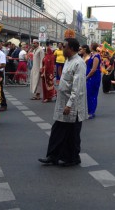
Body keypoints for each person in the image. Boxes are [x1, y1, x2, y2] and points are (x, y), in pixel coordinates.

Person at [38, 38, 87, 167]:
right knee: (59, 130)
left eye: (64, 46)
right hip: (63, 102)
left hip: (72, 105)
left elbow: (77, 87)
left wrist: (69, 105)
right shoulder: (68, 61)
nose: (61, 48)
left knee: (72, 133)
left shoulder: (79, 63)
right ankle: (54, 156)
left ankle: (72, 158)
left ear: (70, 48)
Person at [86, 43, 101, 119]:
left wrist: (87, 77)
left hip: (93, 77)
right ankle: (89, 110)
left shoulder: (96, 57)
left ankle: (91, 111)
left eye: (90, 46)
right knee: (88, 94)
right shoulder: (92, 55)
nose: (89, 47)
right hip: (90, 76)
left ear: (93, 47)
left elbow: (94, 69)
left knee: (92, 94)